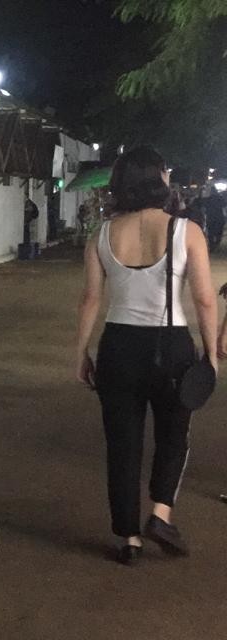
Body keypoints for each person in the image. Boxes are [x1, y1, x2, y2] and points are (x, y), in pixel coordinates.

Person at [73, 145, 219, 565]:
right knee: (175, 434)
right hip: (170, 346)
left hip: (118, 347)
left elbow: (90, 300)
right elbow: (205, 299)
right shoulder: (185, 230)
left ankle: (129, 539)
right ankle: (160, 513)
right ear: (157, 178)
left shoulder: (101, 234)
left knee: (122, 445)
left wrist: (81, 352)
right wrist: (210, 354)